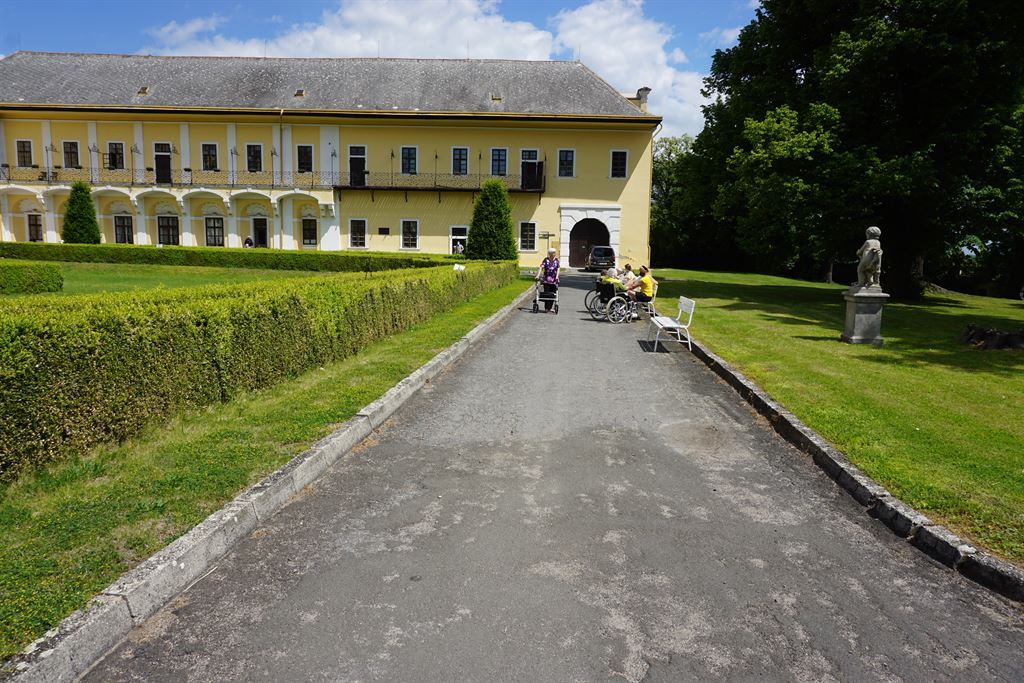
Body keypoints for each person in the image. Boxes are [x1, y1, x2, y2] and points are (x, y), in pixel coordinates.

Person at [536, 247, 560, 312]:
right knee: (547, 294)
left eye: (554, 253)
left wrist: (557, 277)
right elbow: (541, 267)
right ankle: (546, 308)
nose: (554, 254)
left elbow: (558, 269)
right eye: (553, 253)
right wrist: (538, 275)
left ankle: (550, 308)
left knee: (553, 294)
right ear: (550, 254)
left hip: (554, 281)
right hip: (546, 280)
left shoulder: (556, 261)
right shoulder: (546, 260)